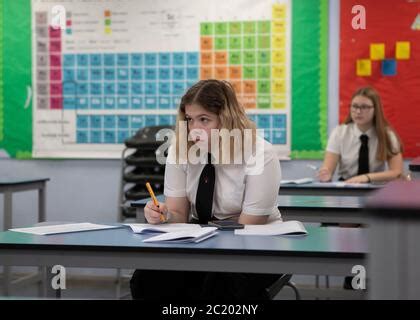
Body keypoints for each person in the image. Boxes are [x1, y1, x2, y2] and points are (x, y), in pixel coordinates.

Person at [130, 79, 283, 300]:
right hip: (201, 241)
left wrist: (201, 243)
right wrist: (163, 215)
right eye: (190, 120)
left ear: (227, 119)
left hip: (256, 245)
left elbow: (250, 227)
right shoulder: (180, 150)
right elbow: (179, 215)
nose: (195, 130)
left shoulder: (260, 153)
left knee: (218, 284)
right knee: (147, 278)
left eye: (204, 120)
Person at [318, 86, 403, 183]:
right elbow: (328, 168)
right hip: (347, 185)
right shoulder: (339, 133)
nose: (358, 112)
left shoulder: (387, 135)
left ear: (375, 109)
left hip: (375, 187)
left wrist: (367, 177)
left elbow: (397, 172)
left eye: (364, 107)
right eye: (355, 106)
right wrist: (326, 173)